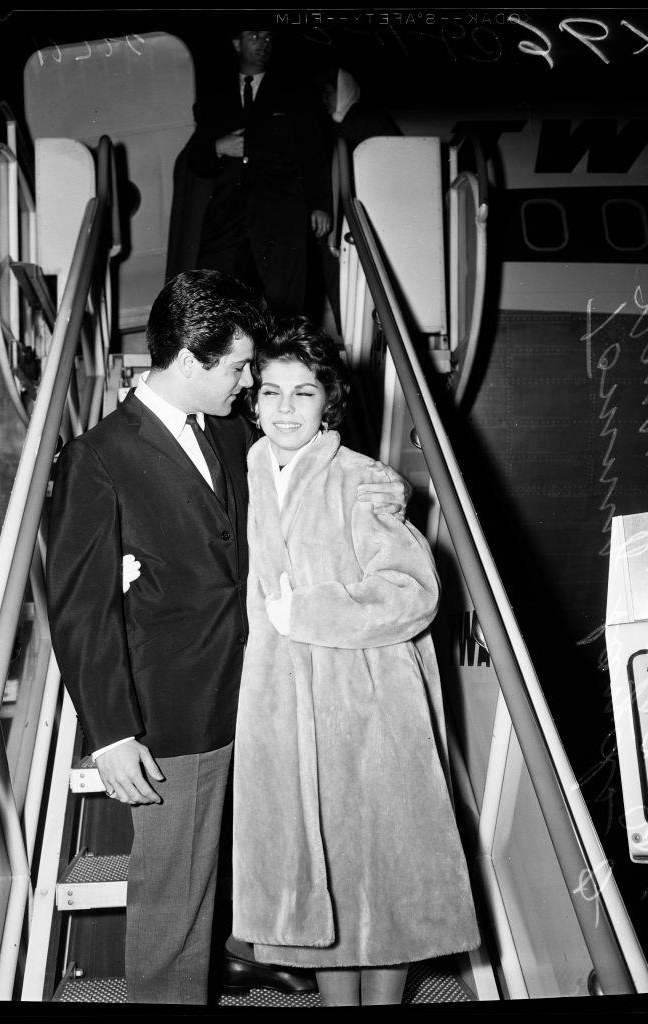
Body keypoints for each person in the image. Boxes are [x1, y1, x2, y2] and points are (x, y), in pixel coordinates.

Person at [46, 270, 408, 1004]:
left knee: (265, 865)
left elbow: (312, 468)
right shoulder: (99, 458)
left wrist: (386, 491)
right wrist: (112, 733)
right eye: (240, 367)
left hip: (268, 697)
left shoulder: (234, 433)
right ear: (191, 360)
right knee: (172, 910)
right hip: (178, 715)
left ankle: (248, 954)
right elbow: (79, 608)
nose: (249, 383)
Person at [231, 318, 480, 1006]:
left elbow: (414, 593)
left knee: (380, 890)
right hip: (284, 716)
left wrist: (307, 614)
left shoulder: (362, 481)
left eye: (302, 393)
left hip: (365, 712)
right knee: (325, 901)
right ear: (252, 399)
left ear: (328, 403)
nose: (284, 408)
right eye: (271, 392)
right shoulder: (243, 475)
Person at [186, 27, 332, 315]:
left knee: (285, 300)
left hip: (280, 211)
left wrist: (320, 205)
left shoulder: (296, 92)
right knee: (216, 294)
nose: (262, 43)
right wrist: (219, 146)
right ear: (236, 43)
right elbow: (196, 158)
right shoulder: (214, 97)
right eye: (254, 37)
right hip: (228, 214)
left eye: (267, 38)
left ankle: (280, 357)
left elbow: (313, 152)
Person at [319, 66, 402, 331]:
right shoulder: (342, 125)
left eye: (329, 93)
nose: (325, 99)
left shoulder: (364, 120)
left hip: (356, 225)